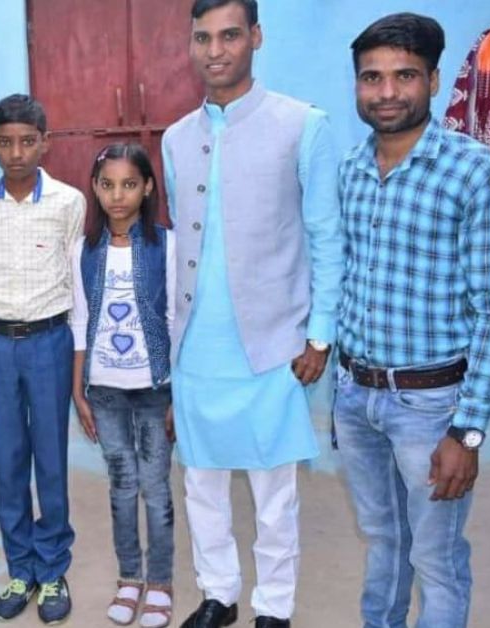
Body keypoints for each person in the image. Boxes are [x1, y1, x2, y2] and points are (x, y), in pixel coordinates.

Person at [336, 13, 490, 628]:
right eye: (372, 77)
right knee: (384, 542)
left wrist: (466, 433)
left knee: (436, 554)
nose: (387, 92)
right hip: (355, 396)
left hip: (430, 404)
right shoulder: (351, 170)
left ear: (435, 81)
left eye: (404, 76)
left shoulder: (481, 174)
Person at [161, 1, 343, 627]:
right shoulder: (176, 138)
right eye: (203, 37)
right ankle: (220, 595)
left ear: (256, 38)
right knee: (202, 487)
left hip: (272, 346)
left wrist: (319, 335)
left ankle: (274, 607)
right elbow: (180, 243)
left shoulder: (302, 125)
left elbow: (326, 236)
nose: (216, 50)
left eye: (230, 35)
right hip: (196, 350)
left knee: (274, 494)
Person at [0, 94, 86, 625]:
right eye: (5, 143)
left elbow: (76, 282)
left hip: (49, 341)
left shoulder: (68, 202)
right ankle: (21, 568)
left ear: (44, 143)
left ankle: (53, 568)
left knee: (50, 459)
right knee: (8, 460)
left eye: (27, 141)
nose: (17, 153)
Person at [69, 143, 177, 628]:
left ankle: (160, 582)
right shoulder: (84, 250)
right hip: (105, 389)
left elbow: (177, 318)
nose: (118, 195)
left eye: (129, 184)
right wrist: (79, 388)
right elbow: (79, 321)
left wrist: (180, 391)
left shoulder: (166, 246)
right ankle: (128, 577)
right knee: (121, 485)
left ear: (148, 187)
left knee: (155, 488)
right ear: (94, 188)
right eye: (108, 184)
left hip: (154, 386)